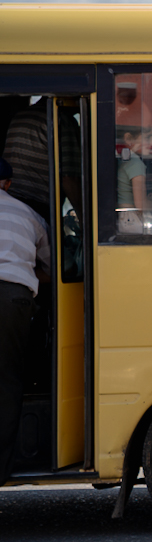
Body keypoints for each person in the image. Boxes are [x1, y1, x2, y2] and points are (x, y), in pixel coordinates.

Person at [0, 158, 51, 485]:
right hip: (12, 298)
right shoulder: (27, 214)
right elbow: (51, 269)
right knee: (6, 381)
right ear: (8, 183)